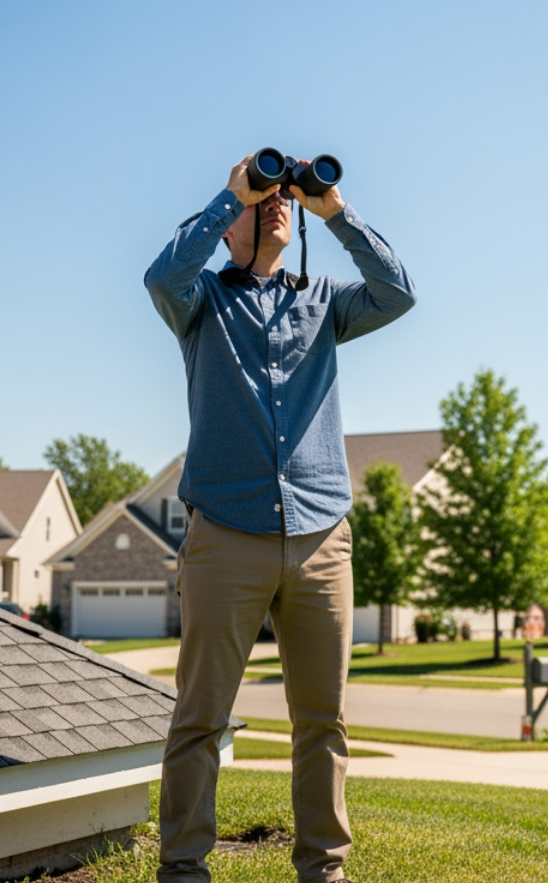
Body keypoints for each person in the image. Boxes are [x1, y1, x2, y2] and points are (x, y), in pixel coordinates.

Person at [144, 154, 416, 883]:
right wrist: (227, 198)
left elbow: (397, 293)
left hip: (323, 536)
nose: (275, 205)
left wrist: (334, 209)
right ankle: (182, 871)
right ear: (230, 221)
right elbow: (159, 277)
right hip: (226, 536)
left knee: (322, 723)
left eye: (281, 199)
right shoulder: (199, 300)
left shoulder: (325, 299)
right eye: (261, 198)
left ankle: (324, 871)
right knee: (200, 717)